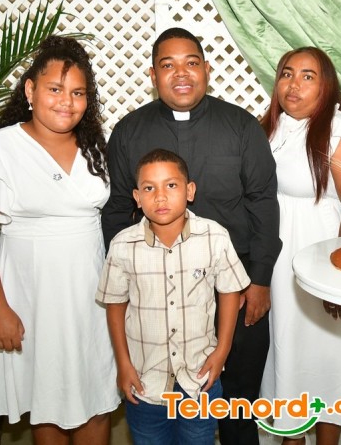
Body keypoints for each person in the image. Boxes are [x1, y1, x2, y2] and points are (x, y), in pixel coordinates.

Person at [101, 27, 281, 445]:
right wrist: (129, 280)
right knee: (161, 403)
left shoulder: (241, 127)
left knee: (238, 401)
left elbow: (263, 203)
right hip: (156, 290)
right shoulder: (128, 131)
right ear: (153, 75)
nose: (181, 73)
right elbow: (116, 211)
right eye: (168, 65)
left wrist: (260, 279)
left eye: (191, 63)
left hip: (236, 286)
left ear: (207, 70)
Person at [0, 36, 119, 444]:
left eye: (78, 92)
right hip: (32, 297)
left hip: (91, 297)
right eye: (55, 89)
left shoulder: (95, 148)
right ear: (30, 90)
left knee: (97, 397)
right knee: (46, 400)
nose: (67, 101)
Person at [96, 149, 250, 444]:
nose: (160, 196)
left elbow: (230, 291)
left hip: (199, 382)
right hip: (145, 384)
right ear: (137, 197)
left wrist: (222, 351)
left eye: (171, 185)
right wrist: (123, 364)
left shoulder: (214, 236)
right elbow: (115, 304)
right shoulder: (123, 245)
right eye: (149, 188)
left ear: (189, 191)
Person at [259, 47, 341, 444]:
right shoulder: (269, 129)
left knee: (324, 359)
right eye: (287, 74)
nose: (294, 84)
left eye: (308, 76)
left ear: (327, 86)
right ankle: (291, 438)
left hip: (320, 261)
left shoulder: (340, 134)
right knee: (286, 354)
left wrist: (337, 279)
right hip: (278, 262)